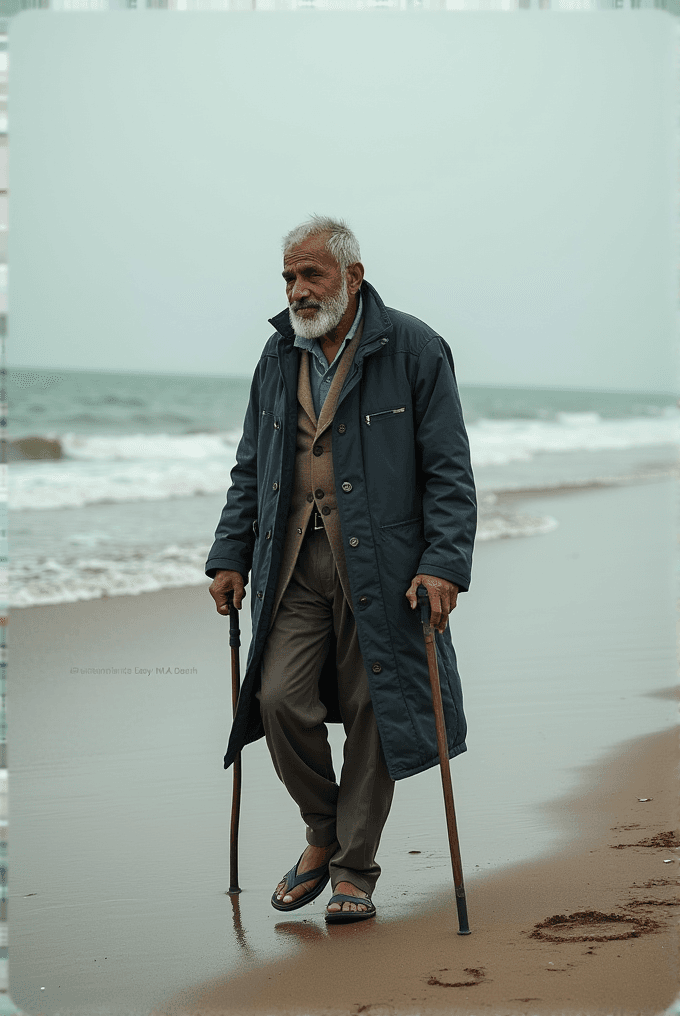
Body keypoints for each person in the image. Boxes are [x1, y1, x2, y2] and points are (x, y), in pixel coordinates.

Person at [206, 216, 476, 923]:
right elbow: (250, 467)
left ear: (353, 276)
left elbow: (449, 469)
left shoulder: (414, 347)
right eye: (289, 278)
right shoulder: (277, 356)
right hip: (290, 561)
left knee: (373, 712)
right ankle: (323, 836)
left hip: (385, 567)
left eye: (311, 275)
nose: (297, 290)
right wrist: (230, 553)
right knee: (278, 700)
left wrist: (444, 562)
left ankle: (355, 868)